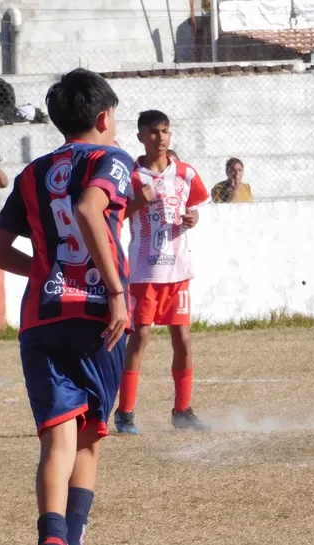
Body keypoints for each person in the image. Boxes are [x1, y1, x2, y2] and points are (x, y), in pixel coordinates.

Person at [0, 69, 134, 545]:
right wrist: (115, 290)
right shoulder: (111, 159)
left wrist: (46, 270)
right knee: (90, 444)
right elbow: (94, 211)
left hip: (41, 319)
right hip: (97, 316)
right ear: (103, 118)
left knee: (56, 442)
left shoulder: (33, 172)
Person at [114, 110, 209, 436]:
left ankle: (182, 411)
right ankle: (125, 413)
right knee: (139, 338)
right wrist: (140, 201)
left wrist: (194, 218)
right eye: (154, 132)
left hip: (178, 269)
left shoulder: (184, 172)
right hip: (144, 272)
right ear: (141, 135)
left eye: (165, 131)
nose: (161, 138)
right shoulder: (132, 175)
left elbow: (195, 205)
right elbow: (119, 214)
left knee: (182, 340)